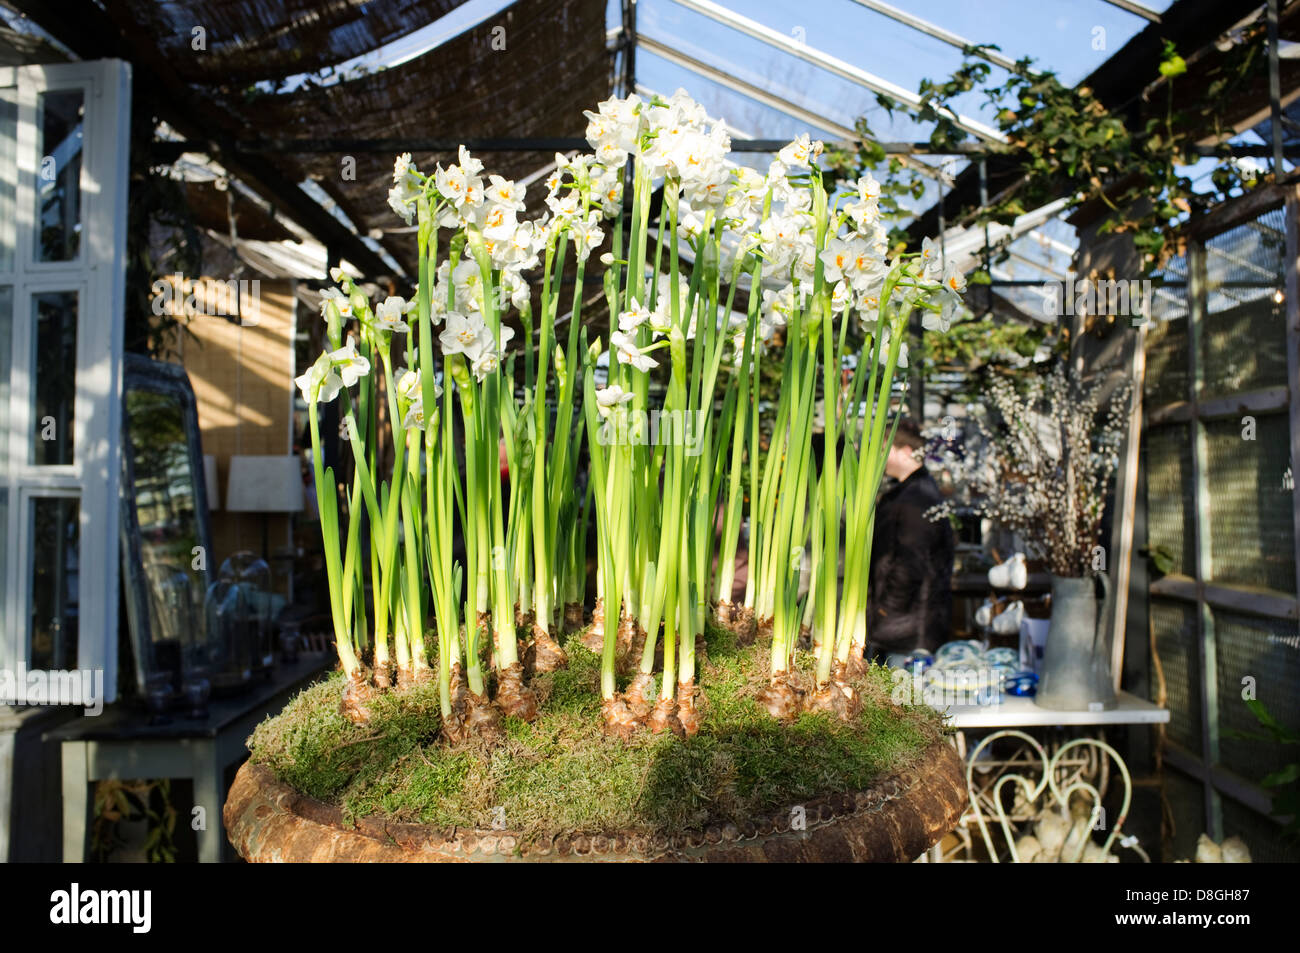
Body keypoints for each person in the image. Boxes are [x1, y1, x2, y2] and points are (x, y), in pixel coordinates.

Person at [867, 418, 954, 656]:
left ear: (905, 452)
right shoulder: (910, 493)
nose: (879, 456)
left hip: (908, 630)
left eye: (885, 449)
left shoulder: (917, 499)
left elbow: (910, 563)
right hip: (903, 622)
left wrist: (886, 610)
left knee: (902, 691)